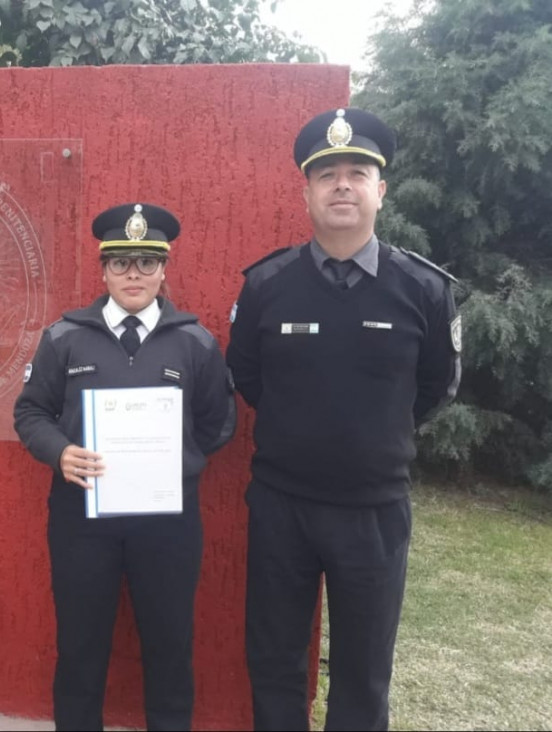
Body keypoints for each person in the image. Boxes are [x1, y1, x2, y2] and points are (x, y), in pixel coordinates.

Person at [226, 107, 461, 731]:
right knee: (274, 660)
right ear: (306, 191)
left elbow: (435, 385)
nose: (341, 184)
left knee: (362, 671)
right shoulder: (266, 285)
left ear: (380, 191)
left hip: (374, 511)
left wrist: (373, 434)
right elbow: (247, 375)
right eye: (326, 173)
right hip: (282, 506)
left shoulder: (424, 290)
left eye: (357, 172)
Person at [14, 203, 236, 730]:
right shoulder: (64, 337)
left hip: (167, 522)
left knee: (169, 645)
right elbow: (29, 411)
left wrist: (173, 465)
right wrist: (59, 451)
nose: (133, 273)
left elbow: (218, 421)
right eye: (120, 262)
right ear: (103, 269)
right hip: (81, 519)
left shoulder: (195, 342)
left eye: (145, 261)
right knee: (81, 648)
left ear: (164, 268)